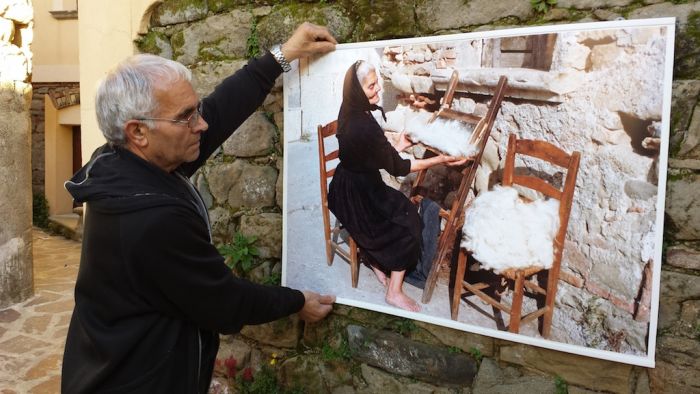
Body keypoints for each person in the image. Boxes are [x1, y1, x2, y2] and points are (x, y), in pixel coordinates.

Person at [61, 23, 337, 393]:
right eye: (186, 116)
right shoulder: (151, 219)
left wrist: (282, 55)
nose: (201, 123)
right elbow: (226, 303)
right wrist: (298, 300)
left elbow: (219, 112)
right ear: (137, 132)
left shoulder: (124, 161)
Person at [327, 60, 466, 312]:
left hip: (346, 184)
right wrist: (442, 159)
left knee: (398, 209)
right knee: (408, 221)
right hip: (357, 196)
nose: (378, 89)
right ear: (357, 90)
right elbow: (399, 168)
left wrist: (399, 145)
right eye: (371, 87)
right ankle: (394, 291)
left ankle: (377, 262)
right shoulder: (364, 124)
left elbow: (372, 154)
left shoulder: (350, 109)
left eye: (377, 82)